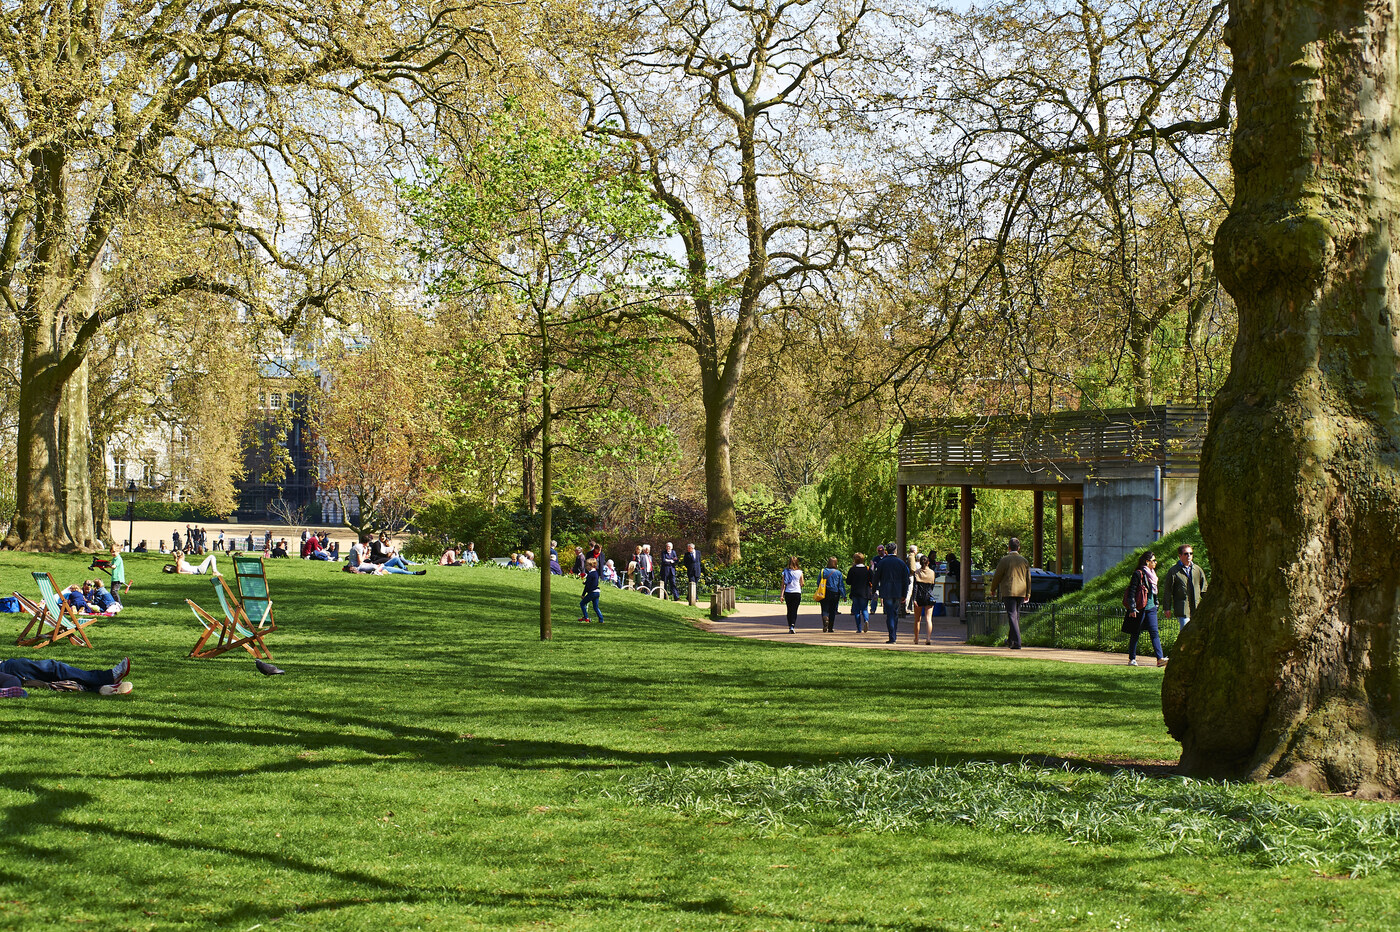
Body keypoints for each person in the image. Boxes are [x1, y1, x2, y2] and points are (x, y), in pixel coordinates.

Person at [0, 656, 133, 698]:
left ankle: (101, 688)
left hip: (5, 668)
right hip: (6, 667)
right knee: (53, 668)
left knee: (55, 677)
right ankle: (108, 677)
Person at [988, 538, 1031, 650]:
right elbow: (1028, 579)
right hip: (1021, 591)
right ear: (1019, 548)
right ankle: (1011, 641)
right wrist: (1028, 593)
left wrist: (993, 588)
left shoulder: (1005, 560)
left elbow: (997, 575)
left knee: (1012, 615)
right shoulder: (1024, 561)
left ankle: (1017, 642)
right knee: (1015, 616)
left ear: (1008, 547)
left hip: (1009, 590)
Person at [1126, 550, 1165, 667]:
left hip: (1151, 607)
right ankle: (1132, 658)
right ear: (1147, 562)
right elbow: (1132, 591)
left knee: (1154, 632)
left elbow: (1154, 592)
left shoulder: (1153, 574)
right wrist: (1132, 608)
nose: (1156, 562)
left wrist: (1156, 603)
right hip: (1140, 607)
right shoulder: (1139, 574)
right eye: (1153, 560)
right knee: (1135, 632)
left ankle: (1160, 659)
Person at [1164, 543, 1207, 628]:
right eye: (1186, 554)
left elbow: (1204, 588)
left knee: (1196, 632)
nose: (1189, 556)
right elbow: (1168, 591)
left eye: (1191, 553)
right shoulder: (1173, 571)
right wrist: (1167, 608)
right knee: (1185, 631)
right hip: (1183, 608)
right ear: (1180, 556)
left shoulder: (1197, 570)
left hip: (1196, 607)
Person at [875, 547, 910, 643]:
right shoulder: (901, 563)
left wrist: (874, 590)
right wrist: (904, 594)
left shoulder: (882, 562)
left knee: (890, 614)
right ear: (895, 551)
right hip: (898, 591)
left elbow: (876, 577)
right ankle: (894, 634)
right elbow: (906, 580)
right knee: (894, 613)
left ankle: (892, 636)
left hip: (886, 591)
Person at [910, 554, 941, 645]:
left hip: (919, 597)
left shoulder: (917, 573)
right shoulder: (932, 573)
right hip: (929, 596)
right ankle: (928, 638)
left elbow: (915, 587)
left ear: (920, 562)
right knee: (928, 619)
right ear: (928, 563)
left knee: (917, 619)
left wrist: (914, 599)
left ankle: (916, 639)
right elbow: (932, 586)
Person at [818, 557, 846, 632]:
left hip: (824, 592)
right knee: (832, 610)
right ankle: (830, 628)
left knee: (824, 608)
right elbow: (840, 585)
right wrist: (844, 595)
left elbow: (818, 582)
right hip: (835, 593)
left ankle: (825, 618)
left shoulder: (823, 571)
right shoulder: (838, 573)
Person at [847, 553, 872, 634]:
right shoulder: (867, 569)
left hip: (855, 592)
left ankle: (859, 628)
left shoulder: (852, 570)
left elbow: (848, 582)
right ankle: (866, 620)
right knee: (864, 609)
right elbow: (872, 579)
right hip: (864, 592)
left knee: (857, 611)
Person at [781, 556, 804, 634]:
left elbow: (783, 584)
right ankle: (792, 626)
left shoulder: (786, 572)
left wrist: (781, 595)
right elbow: (802, 583)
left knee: (789, 610)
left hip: (788, 592)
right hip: (797, 592)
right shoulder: (800, 572)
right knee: (794, 610)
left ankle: (790, 625)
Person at [578, 557, 605, 624]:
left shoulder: (590, 574)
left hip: (592, 592)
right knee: (595, 607)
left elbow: (587, 586)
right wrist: (586, 582)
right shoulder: (596, 573)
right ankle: (601, 619)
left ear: (591, 566)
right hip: (597, 592)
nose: (586, 567)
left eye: (587, 565)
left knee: (582, 603)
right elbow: (593, 582)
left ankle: (586, 617)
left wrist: (583, 594)